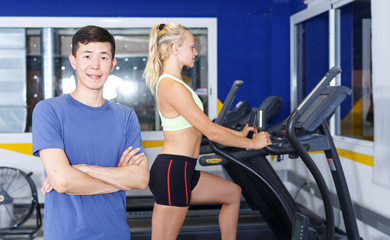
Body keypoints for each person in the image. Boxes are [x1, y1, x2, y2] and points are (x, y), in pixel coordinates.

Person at [143, 23, 272, 240]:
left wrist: (238, 136)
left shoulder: (176, 83)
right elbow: (210, 131)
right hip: (173, 170)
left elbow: (198, 125)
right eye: (192, 47)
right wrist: (253, 143)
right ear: (175, 49)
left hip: (183, 169)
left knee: (232, 193)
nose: (196, 52)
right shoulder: (171, 86)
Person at [32, 25, 149, 240]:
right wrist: (120, 177)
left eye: (103, 57)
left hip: (116, 233)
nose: (95, 65)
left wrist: (84, 169)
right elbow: (62, 181)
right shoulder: (49, 110)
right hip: (66, 235)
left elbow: (141, 179)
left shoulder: (126, 116)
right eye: (87, 56)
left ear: (112, 64)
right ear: (74, 61)